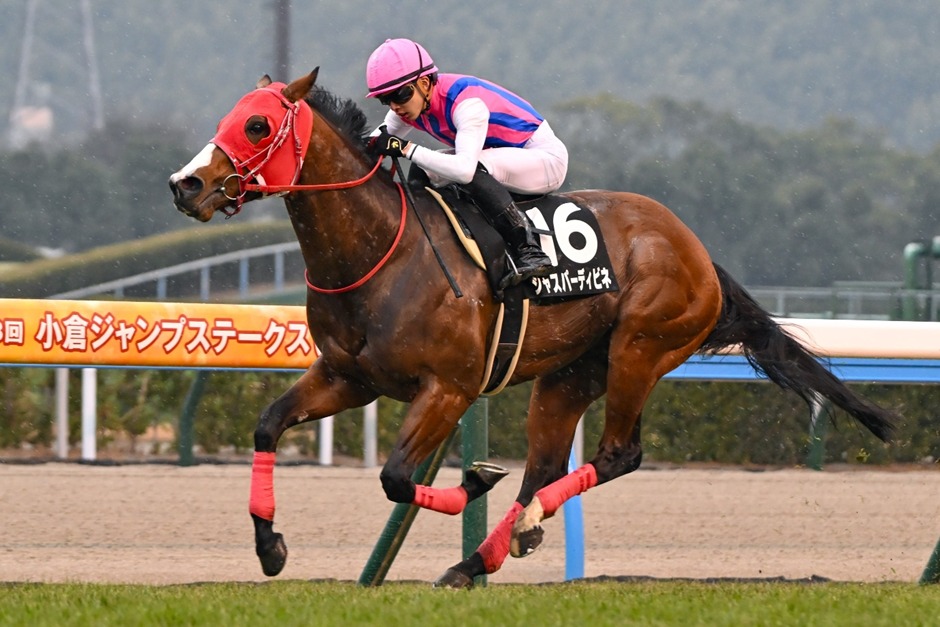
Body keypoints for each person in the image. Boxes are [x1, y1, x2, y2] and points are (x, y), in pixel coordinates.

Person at [364, 38, 568, 288]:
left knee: (466, 169)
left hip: (544, 159)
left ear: (424, 83)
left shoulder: (466, 103)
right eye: (385, 100)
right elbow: (372, 145)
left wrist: (405, 148)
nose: (395, 106)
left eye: (400, 95)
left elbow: (464, 170)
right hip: (502, 157)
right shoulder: (412, 104)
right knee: (425, 167)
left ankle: (528, 250)